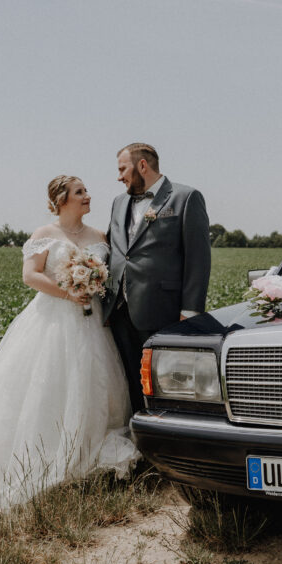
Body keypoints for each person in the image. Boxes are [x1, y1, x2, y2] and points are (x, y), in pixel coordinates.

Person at [0, 176, 139, 509]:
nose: (88, 196)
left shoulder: (99, 237)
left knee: (92, 383)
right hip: (53, 319)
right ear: (62, 200)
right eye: (80, 192)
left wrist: (91, 286)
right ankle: (41, 454)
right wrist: (69, 292)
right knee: (48, 386)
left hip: (93, 322)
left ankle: (84, 454)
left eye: (86, 191)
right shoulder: (44, 235)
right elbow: (30, 275)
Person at [104, 143, 212, 412]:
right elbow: (116, 249)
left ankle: (167, 437)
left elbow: (198, 258)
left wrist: (191, 310)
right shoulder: (118, 202)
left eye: (122, 169)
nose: (119, 177)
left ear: (142, 165)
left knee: (169, 380)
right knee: (129, 379)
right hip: (120, 309)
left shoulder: (185, 197)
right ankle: (138, 435)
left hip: (163, 309)